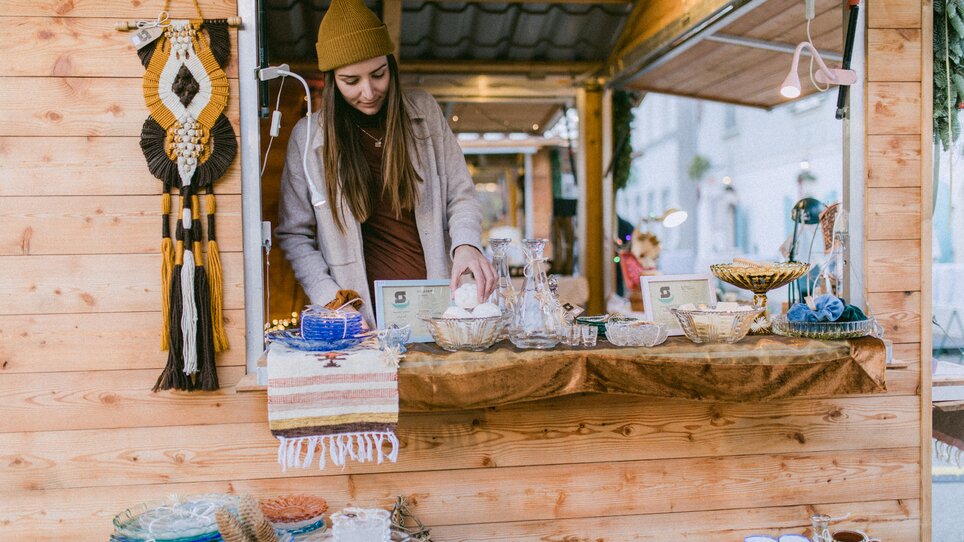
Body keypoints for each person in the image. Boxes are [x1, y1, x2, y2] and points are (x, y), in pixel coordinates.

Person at [275, 0, 495, 326]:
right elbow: (294, 234)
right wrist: (331, 299)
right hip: (360, 316)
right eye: (352, 81)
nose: (368, 92)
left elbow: (461, 194)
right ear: (332, 80)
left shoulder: (424, 112)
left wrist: (465, 244)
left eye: (378, 74)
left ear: (391, 66)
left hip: (440, 305)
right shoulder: (308, 138)